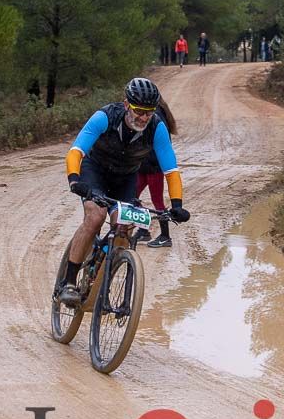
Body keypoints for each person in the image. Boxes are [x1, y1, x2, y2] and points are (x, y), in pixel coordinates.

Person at [58, 78, 190, 307]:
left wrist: (177, 205)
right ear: (127, 104)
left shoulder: (156, 127)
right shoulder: (105, 117)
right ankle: (68, 282)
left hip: (126, 178)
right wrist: (74, 181)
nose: (143, 117)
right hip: (94, 171)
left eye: (149, 112)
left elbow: (171, 170)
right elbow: (76, 152)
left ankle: (101, 284)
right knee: (95, 216)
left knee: (123, 226)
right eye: (139, 111)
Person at [133, 98, 178, 248]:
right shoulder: (157, 111)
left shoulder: (156, 114)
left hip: (153, 165)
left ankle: (165, 236)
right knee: (132, 195)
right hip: (143, 165)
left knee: (157, 200)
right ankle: (143, 230)